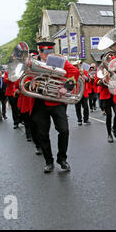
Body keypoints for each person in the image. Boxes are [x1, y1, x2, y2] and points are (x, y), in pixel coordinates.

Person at [30, 40, 79, 173]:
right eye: (44, 52)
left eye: (49, 52)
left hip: (56, 101)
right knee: (42, 133)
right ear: (39, 51)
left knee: (64, 130)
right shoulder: (32, 62)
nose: (47, 56)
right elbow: (24, 78)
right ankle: (48, 161)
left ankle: (62, 159)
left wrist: (66, 87)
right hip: (40, 102)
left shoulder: (59, 60)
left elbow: (74, 72)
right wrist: (31, 84)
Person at [94, 55, 116, 143]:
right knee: (109, 115)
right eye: (106, 59)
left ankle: (114, 128)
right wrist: (101, 81)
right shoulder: (101, 69)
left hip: (115, 93)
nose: (108, 60)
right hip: (105, 95)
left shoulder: (115, 67)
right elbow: (96, 81)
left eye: (109, 58)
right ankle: (109, 134)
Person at [73, 61, 90, 126]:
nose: (77, 66)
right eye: (76, 65)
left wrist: (83, 75)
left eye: (78, 65)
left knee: (85, 107)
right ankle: (79, 120)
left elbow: (88, 80)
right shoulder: (73, 72)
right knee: (78, 107)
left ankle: (86, 119)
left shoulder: (84, 72)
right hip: (76, 92)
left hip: (84, 92)